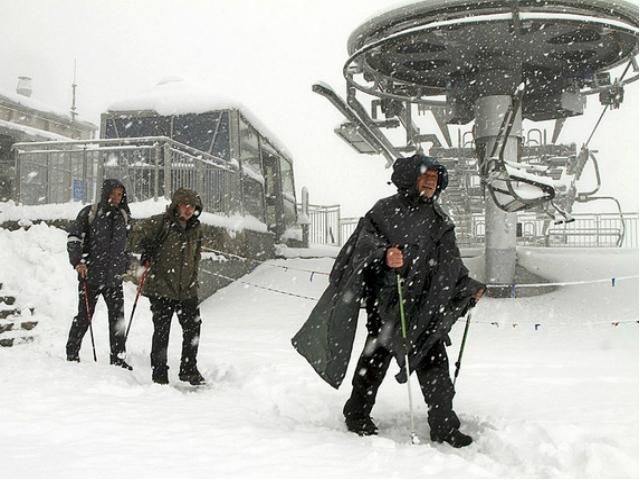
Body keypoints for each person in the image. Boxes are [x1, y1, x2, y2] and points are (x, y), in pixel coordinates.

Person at [292, 153, 485, 448]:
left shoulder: (439, 220)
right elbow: (360, 246)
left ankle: (444, 427)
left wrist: (467, 286)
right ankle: (357, 415)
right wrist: (384, 255)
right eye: (425, 177)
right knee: (373, 363)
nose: (431, 183)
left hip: (422, 309)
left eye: (435, 178)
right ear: (409, 178)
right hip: (386, 306)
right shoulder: (383, 211)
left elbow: (450, 264)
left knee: (435, 368)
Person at [132, 188, 205, 385]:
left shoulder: (196, 228)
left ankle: (188, 368)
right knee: (162, 331)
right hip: (161, 286)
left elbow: (196, 257)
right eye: (184, 205)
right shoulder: (160, 223)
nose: (189, 209)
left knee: (193, 327)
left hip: (187, 289)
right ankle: (159, 373)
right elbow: (134, 237)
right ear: (176, 206)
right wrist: (147, 246)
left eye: (193, 206)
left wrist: (193, 281)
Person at [66, 178, 133, 370]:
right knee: (84, 316)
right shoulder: (90, 213)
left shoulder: (124, 216)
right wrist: (78, 262)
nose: (115, 198)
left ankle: (118, 358)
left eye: (119, 194)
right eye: (112, 193)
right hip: (91, 277)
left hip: (114, 279)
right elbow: (74, 238)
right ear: (105, 193)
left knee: (118, 319)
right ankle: (72, 353)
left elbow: (127, 245)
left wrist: (125, 264)